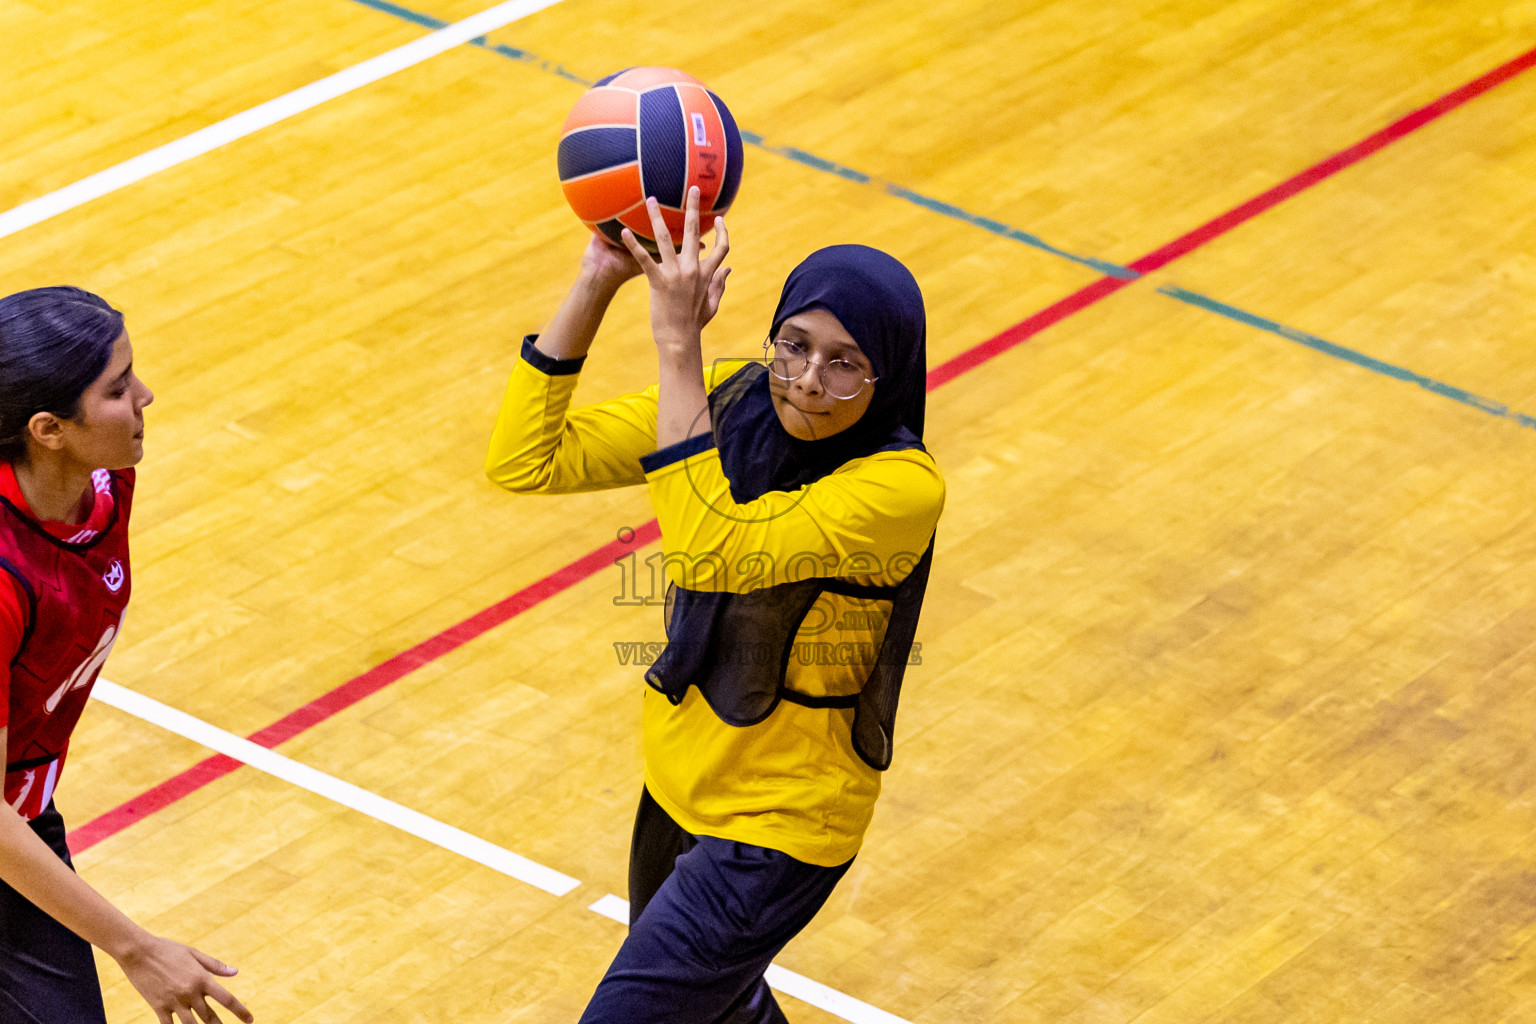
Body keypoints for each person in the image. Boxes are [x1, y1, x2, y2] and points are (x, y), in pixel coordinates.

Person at [486, 189, 943, 1022]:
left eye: (844, 362)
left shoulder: (900, 489)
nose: (807, 379)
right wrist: (596, 281)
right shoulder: (735, 400)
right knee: (723, 1010)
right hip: (679, 783)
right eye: (794, 345)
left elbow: (711, 555)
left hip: (780, 828)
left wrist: (675, 341)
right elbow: (526, 460)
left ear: (891, 373)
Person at [0, 287, 254, 1024]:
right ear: (48, 429)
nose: (146, 396)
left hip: (23, 814)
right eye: (117, 389)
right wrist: (135, 947)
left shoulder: (105, 483)